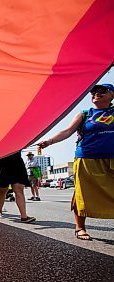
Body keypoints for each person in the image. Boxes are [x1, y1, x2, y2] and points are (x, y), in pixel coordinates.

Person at [38, 83, 114, 240]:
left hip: (111, 160)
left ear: (112, 95)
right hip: (87, 159)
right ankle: (80, 228)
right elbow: (67, 131)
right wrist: (49, 142)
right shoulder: (85, 113)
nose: (96, 93)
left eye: (101, 91)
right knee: (82, 194)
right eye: (93, 91)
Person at [0, 151, 36, 223]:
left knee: (19, 188)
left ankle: (24, 216)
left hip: (16, 161)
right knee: (2, 190)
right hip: (2, 159)